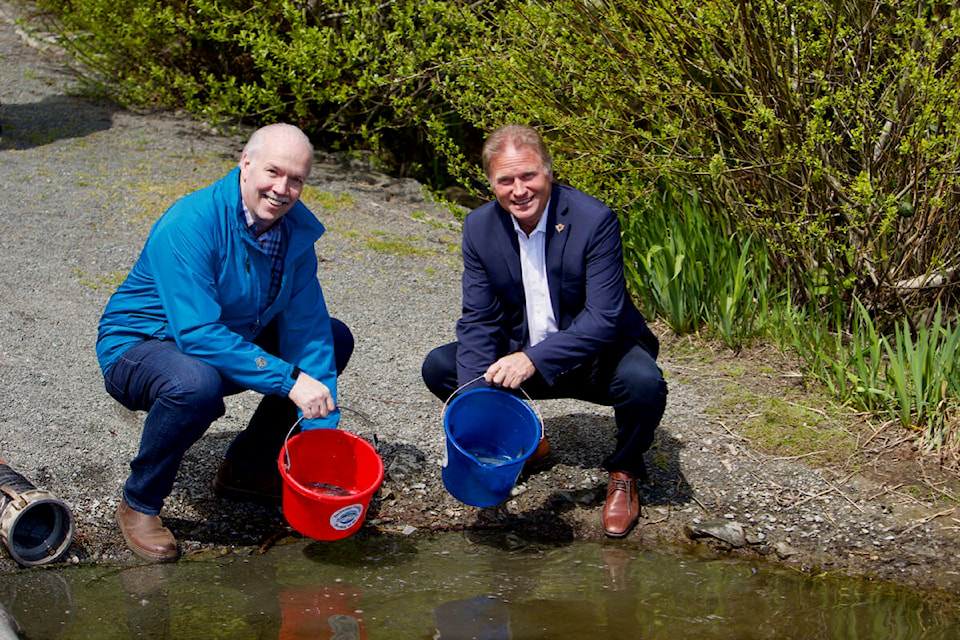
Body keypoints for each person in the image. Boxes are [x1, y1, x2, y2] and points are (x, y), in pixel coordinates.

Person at [96, 123, 353, 562]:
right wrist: (290, 380)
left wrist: (316, 440)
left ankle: (248, 470)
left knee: (333, 335)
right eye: (273, 172)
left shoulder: (295, 234)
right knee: (195, 384)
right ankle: (139, 503)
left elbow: (308, 332)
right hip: (140, 345)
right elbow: (195, 332)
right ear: (245, 163)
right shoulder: (190, 222)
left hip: (223, 340)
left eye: (296, 179)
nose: (282, 189)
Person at [422, 124, 667, 538]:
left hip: (598, 357)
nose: (519, 189)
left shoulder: (594, 220)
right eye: (506, 180)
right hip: (525, 355)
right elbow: (478, 320)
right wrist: (472, 410)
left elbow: (604, 318)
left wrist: (532, 359)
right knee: (442, 367)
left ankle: (624, 471)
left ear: (548, 172)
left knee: (645, 383)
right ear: (491, 184)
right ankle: (528, 445)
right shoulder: (479, 227)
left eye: (528, 175)